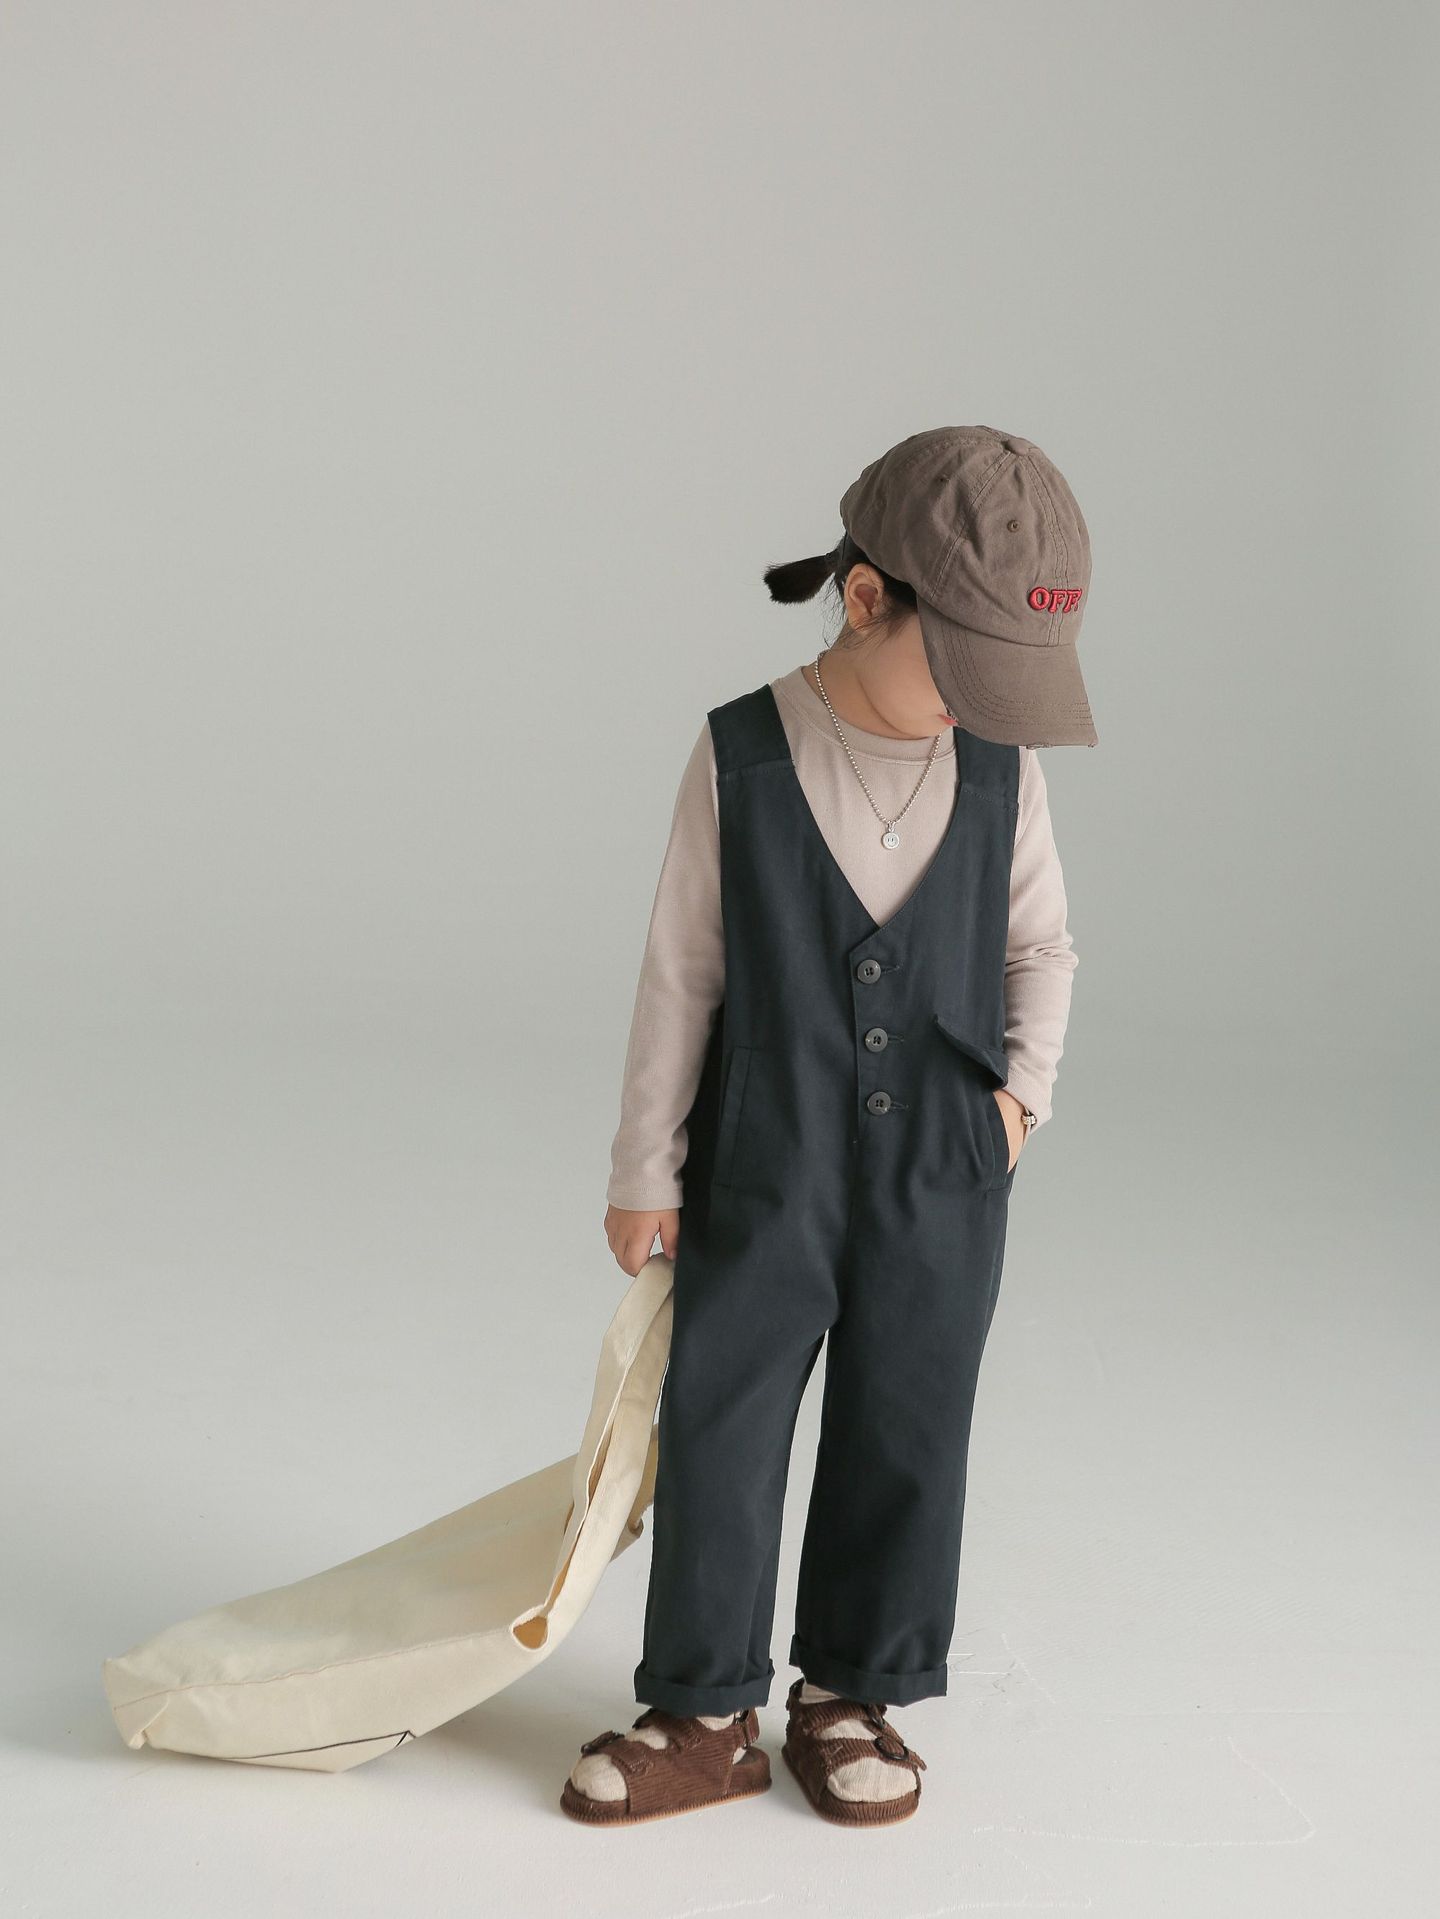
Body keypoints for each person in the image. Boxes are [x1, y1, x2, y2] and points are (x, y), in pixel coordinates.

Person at [559, 426, 1097, 1827]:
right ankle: (703, 1709)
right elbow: (682, 970)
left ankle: (851, 1690)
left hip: (944, 1171)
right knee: (722, 1418)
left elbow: (1042, 948)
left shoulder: (1001, 773)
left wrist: (1019, 1104)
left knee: (908, 1422)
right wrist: (644, 1166)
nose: (986, 710)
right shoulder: (742, 752)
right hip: (765, 1160)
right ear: (866, 600)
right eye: (966, 671)